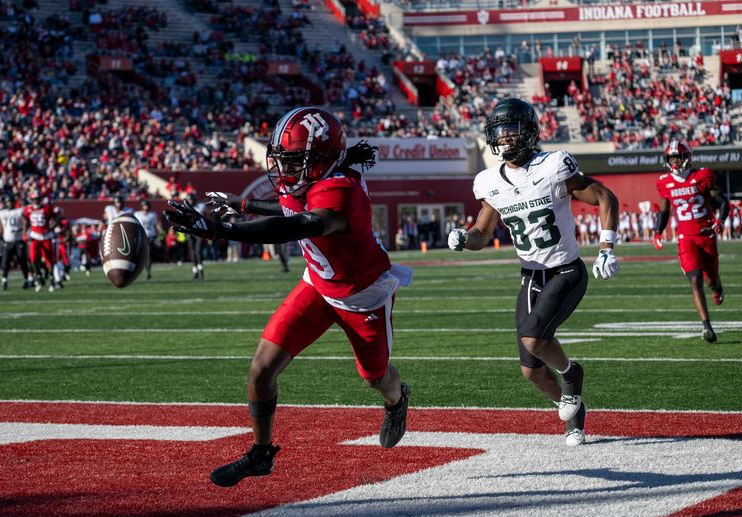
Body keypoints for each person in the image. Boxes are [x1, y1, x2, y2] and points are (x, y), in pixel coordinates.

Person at [166, 107, 412, 487]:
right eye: (282, 160)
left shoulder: (340, 189)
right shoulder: (316, 173)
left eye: (295, 161)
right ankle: (261, 455)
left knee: (375, 378)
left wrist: (220, 229)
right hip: (316, 283)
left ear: (323, 159)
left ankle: (397, 401)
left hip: (361, 294)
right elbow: (290, 206)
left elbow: (299, 223)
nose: (284, 170)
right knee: (261, 369)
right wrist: (243, 205)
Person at [447, 98, 619, 447]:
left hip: (566, 270)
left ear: (528, 131)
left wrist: (606, 247)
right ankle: (574, 413)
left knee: (533, 339)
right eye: (500, 132)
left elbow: (605, 197)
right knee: (531, 370)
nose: (506, 139)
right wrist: (465, 238)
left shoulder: (552, 165)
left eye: (512, 130)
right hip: (531, 276)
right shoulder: (489, 182)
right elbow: (482, 233)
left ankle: (572, 375)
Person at [653, 140, 728, 343]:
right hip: (686, 238)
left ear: (687, 157)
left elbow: (722, 202)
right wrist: (657, 231)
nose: (675, 161)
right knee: (695, 280)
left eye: (678, 157)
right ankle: (707, 326)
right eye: (672, 158)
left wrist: (720, 219)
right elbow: (664, 210)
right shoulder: (664, 182)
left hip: (706, 235)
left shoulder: (701, 176)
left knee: (711, 279)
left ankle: (718, 288)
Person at [22, 191, 60, 292]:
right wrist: (25, 232)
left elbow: (55, 218)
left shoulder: (47, 208)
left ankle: (51, 278)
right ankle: (38, 277)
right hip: (34, 236)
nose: (36, 201)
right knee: (33, 258)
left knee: (49, 259)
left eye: (38, 199)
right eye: (34, 199)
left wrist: (52, 226)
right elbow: (24, 218)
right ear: (31, 200)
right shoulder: (28, 209)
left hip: (46, 236)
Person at [0, 195, 32, 290]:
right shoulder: (3, 213)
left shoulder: (18, 212)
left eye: (10, 202)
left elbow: (25, 222)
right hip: (8, 241)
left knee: (22, 261)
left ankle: (26, 280)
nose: (9, 203)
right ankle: (4, 281)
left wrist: (24, 231)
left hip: (18, 240)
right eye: (8, 202)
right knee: (5, 262)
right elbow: (0, 227)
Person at [134, 200, 161, 280]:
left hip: (150, 236)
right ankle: (141, 270)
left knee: (148, 254)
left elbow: (157, 225)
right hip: (140, 236)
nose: (146, 207)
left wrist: (159, 235)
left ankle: (148, 271)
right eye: (145, 205)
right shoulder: (137, 214)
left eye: (147, 205)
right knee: (140, 255)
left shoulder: (153, 214)